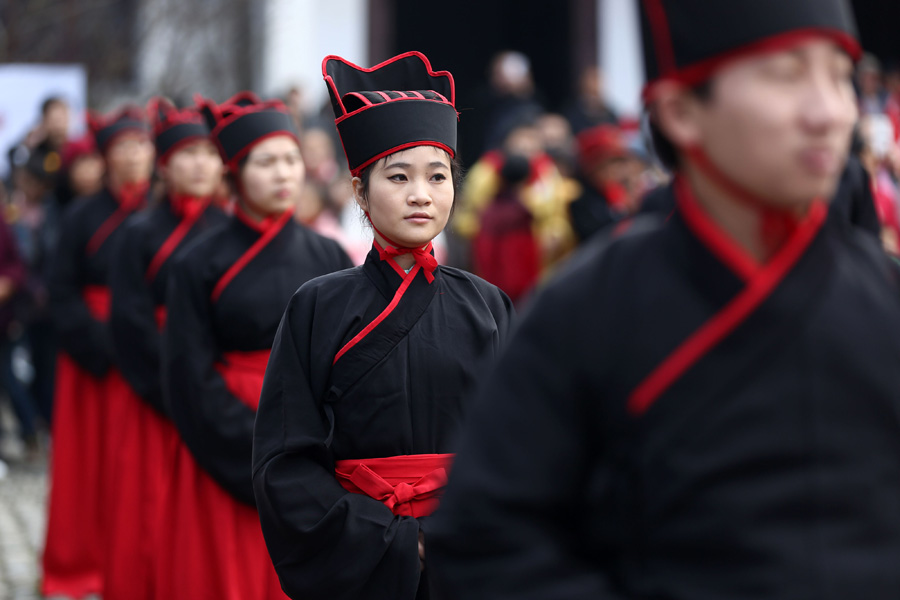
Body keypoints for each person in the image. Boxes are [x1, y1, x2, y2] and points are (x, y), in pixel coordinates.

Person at [429, 1, 900, 598]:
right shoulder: (588, 311)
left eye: (840, 76)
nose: (831, 113)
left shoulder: (884, 295)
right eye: (787, 75)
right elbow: (482, 540)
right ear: (680, 112)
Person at [251, 51, 514, 600]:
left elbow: (521, 444)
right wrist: (393, 539)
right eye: (399, 176)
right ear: (360, 192)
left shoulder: (488, 305)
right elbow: (285, 461)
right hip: (362, 556)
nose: (421, 193)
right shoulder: (317, 306)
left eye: (437, 176)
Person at [156, 92, 351, 600]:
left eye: (291, 159)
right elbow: (187, 372)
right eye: (267, 162)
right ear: (236, 172)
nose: (285, 174)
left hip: (310, 433)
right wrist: (257, 449)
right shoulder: (197, 262)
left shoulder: (328, 252)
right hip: (226, 433)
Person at [105, 97, 226, 600]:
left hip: (215, 391)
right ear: (165, 163)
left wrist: (208, 392)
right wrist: (174, 386)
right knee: (144, 508)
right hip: (155, 394)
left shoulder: (229, 230)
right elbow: (129, 320)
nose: (200, 164)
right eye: (188, 153)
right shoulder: (137, 234)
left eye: (209, 153)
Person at [42, 106, 154, 600]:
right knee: (86, 467)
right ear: (106, 157)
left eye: (141, 145)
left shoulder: (160, 212)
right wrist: (99, 342)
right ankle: (78, 565)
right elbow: (60, 287)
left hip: (147, 352)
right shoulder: (81, 215)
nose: (133, 156)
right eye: (123, 147)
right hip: (93, 354)